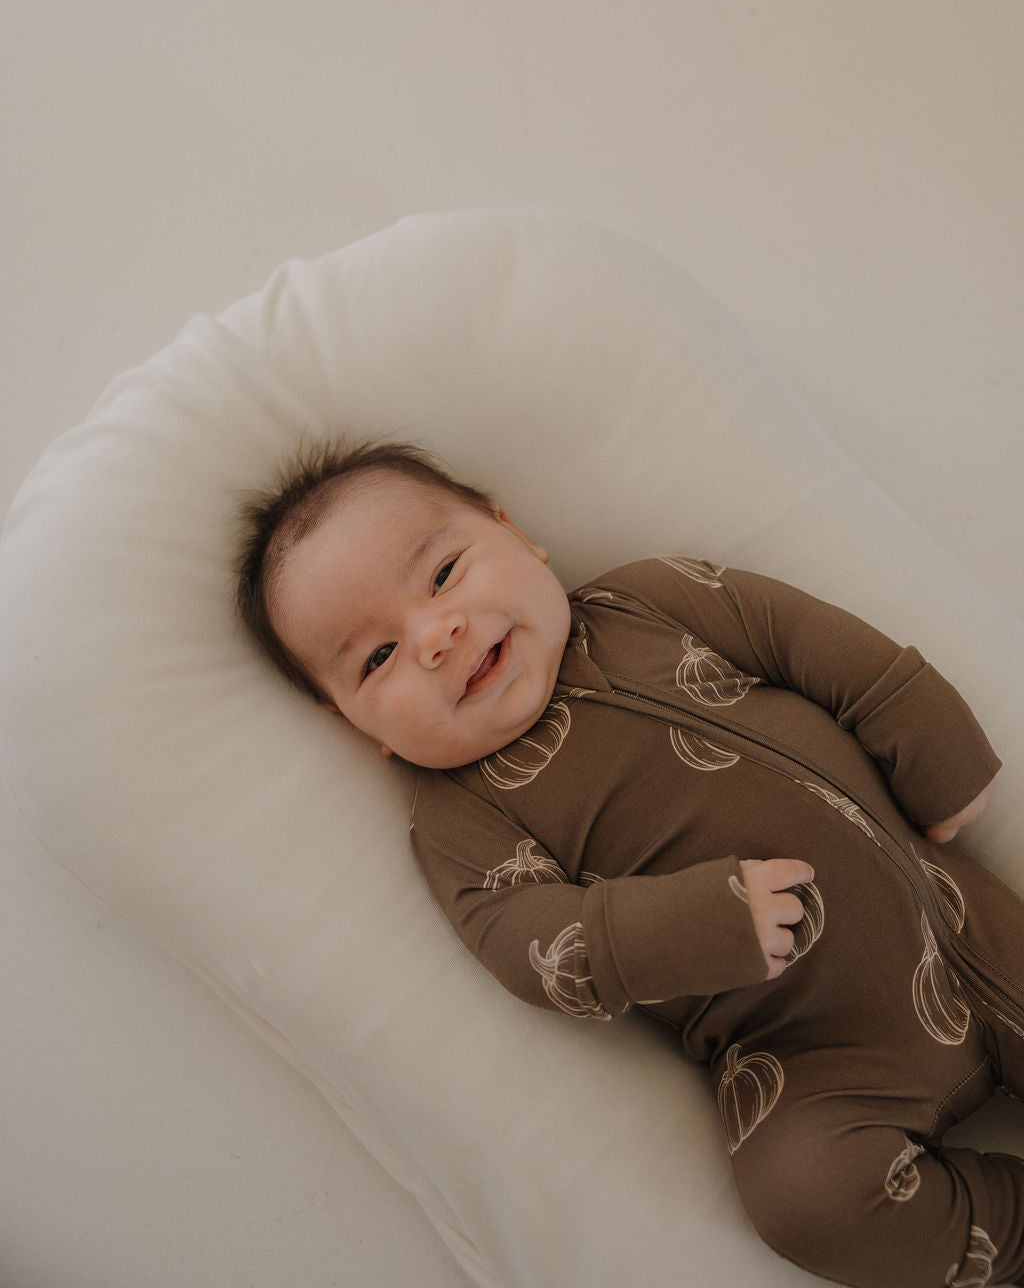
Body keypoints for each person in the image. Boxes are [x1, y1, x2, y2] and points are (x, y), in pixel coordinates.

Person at [235, 438, 1024, 1288]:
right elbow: (535, 946)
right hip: (810, 1054)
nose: (435, 635)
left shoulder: (653, 599)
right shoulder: (458, 818)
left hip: (961, 916)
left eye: (444, 573)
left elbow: (804, 640)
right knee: (806, 1201)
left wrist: (932, 745)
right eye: (377, 658)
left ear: (515, 532)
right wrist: (696, 924)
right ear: (357, 726)